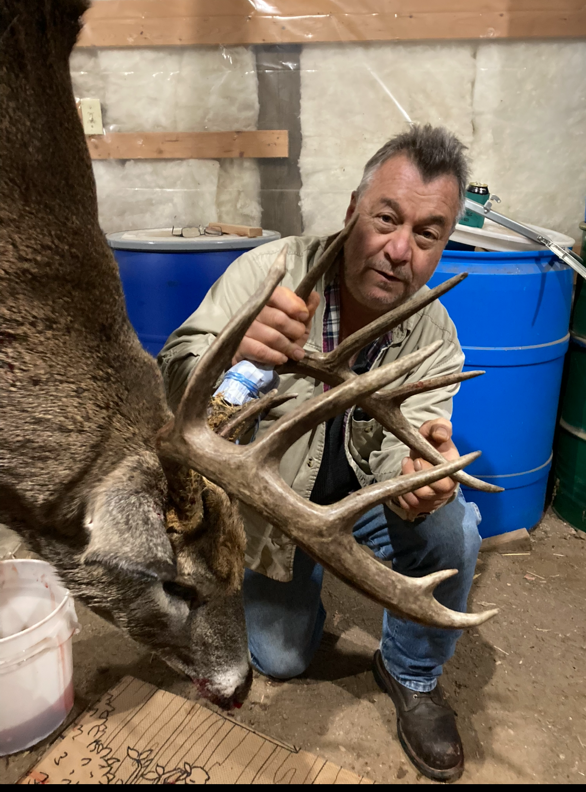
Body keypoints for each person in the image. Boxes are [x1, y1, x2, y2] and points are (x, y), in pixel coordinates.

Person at [158, 124, 483, 782]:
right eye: (386, 218)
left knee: (454, 527)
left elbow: (417, 444)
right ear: (352, 211)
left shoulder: (435, 334)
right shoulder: (270, 273)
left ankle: (411, 673)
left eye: (427, 234)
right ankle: (292, 585)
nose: (400, 250)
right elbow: (174, 373)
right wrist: (235, 355)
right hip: (276, 505)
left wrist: (421, 482)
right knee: (279, 658)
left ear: (444, 242)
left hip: (365, 498)